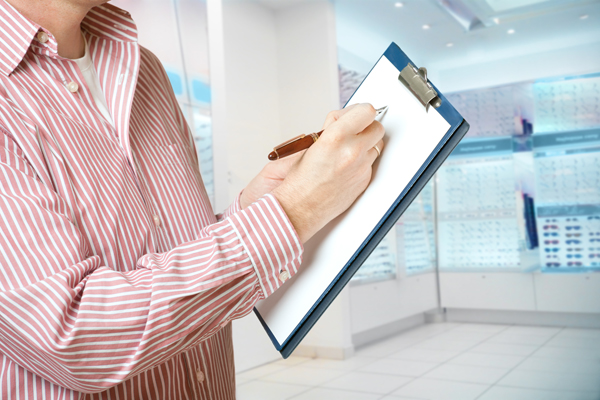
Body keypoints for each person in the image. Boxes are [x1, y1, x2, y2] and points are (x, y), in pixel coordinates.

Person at [0, 0, 384, 398]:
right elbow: (72, 336)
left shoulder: (142, 67)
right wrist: (294, 210)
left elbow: (180, 249)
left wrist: (260, 205)